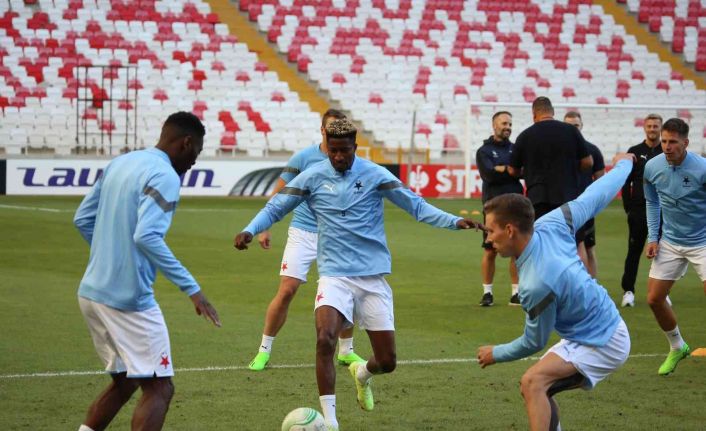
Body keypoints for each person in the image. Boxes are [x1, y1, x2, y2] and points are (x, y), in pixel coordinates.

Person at [234, 119, 481, 431]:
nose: (338, 157)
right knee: (324, 339)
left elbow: (417, 207)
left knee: (387, 361)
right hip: (334, 276)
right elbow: (276, 207)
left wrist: (455, 221)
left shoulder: (375, 174)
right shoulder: (312, 176)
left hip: (372, 277)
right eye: (333, 151)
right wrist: (250, 229)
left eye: (345, 151)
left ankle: (363, 373)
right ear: (327, 147)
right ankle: (331, 422)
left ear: (355, 147)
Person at [73, 112, 221, 431]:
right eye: (197, 152)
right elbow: (147, 236)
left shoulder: (121, 162)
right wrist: (193, 289)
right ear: (186, 143)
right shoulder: (165, 175)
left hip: (91, 293)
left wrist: (111, 256)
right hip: (128, 301)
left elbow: (82, 219)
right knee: (159, 386)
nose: (195, 161)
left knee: (126, 381)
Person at [476, 153, 636, 431]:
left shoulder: (536, 284)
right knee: (535, 387)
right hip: (593, 329)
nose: (488, 239)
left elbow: (533, 341)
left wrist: (496, 353)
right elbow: (595, 195)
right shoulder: (552, 223)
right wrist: (625, 164)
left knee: (534, 383)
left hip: (604, 342)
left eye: (490, 231)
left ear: (510, 230)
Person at [248, 109, 364, 371]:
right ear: (322, 130)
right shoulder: (303, 158)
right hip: (303, 232)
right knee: (287, 290)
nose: (336, 133)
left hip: (336, 234)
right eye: (331, 128)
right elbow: (280, 192)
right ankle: (264, 350)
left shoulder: (351, 159)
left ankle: (346, 351)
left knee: (348, 290)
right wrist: (265, 227)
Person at [643, 118, 706, 376]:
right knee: (654, 299)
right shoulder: (652, 167)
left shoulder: (702, 169)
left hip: (703, 241)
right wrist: (653, 237)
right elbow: (652, 202)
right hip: (670, 241)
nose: (667, 147)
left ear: (686, 143)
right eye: (664, 141)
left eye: (672, 142)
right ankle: (677, 346)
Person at [508, 96, 593, 221]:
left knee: (541, 231)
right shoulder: (572, 131)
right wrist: (571, 170)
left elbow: (512, 170)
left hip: (538, 197)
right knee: (566, 231)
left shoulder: (524, 136)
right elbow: (588, 162)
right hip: (567, 195)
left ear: (534, 114)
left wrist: (529, 173)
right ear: (553, 112)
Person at [476, 111, 523, 306]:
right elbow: (488, 174)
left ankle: (516, 293)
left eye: (510, 124)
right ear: (494, 125)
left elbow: (522, 171)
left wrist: (501, 168)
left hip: (515, 204)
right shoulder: (484, 151)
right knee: (490, 250)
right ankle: (487, 293)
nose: (508, 127)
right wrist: (507, 170)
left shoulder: (516, 149)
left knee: (516, 250)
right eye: (504, 123)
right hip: (493, 207)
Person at [620, 114, 663, 307]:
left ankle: (662, 293)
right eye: (650, 126)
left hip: (662, 211)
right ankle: (628, 291)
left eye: (656, 126)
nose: (652, 129)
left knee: (662, 253)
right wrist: (628, 207)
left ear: (660, 128)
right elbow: (626, 181)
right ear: (645, 128)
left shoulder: (666, 151)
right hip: (638, 211)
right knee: (634, 251)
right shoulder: (634, 151)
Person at [564, 111, 605, 278]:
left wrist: (592, 202)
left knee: (588, 247)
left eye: (576, 125)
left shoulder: (592, 150)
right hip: (564, 206)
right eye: (569, 126)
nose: (573, 129)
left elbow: (600, 181)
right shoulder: (560, 151)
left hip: (585, 207)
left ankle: (591, 285)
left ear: (581, 126)